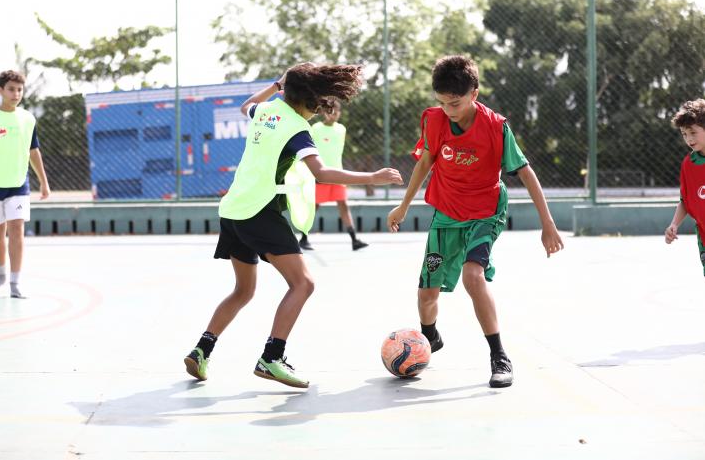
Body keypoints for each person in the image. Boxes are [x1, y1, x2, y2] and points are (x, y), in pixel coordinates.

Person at [184, 63, 402, 388]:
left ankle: (202, 349)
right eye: (316, 102)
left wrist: (276, 85)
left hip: (232, 209)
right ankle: (271, 357)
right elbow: (322, 173)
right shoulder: (296, 129)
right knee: (303, 284)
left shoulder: (267, 111)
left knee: (243, 291)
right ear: (306, 100)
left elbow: (246, 106)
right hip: (258, 211)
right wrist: (372, 177)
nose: (318, 109)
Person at [387, 55, 563, 388]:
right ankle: (429, 339)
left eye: (454, 103)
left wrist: (548, 223)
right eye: (441, 103)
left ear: (474, 94)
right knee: (426, 294)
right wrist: (403, 205)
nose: (448, 109)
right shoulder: (435, 121)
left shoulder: (496, 127)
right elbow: (425, 162)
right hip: (446, 212)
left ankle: (499, 356)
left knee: (473, 276)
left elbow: (526, 172)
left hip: (486, 211)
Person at [0, 70, 50, 299]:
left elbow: (34, 151)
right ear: (1, 90)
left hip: (18, 184)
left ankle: (15, 282)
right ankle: (1, 276)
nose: (16, 94)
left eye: (19, 89)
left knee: (16, 228)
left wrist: (44, 181)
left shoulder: (28, 119)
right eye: (11, 89)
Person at [298, 99, 368, 251]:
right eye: (330, 111)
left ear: (340, 113)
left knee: (343, 204)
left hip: (337, 174)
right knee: (313, 207)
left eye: (336, 111)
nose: (333, 114)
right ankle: (303, 239)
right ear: (324, 112)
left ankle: (354, 239)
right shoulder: (315, 128)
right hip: (320, 175)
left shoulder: (341, 129)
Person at [665, 99, 705, 276]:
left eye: (693, 132)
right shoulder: (689, 164)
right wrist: (674, 224)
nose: (689, 139)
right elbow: (684, 201)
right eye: (684, 134)